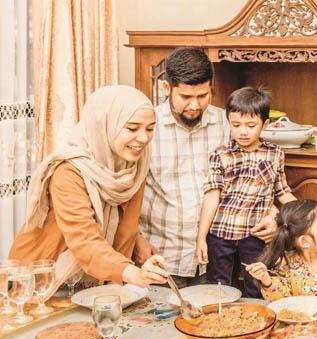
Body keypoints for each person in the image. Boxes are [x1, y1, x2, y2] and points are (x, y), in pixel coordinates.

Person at [136, 47, 276, 288]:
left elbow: (254, 177)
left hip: (217, 257)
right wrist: (135, 239)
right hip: (161, 258)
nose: (194, 105)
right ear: (167, 88)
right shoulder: (147, 127)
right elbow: (127, 193)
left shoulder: (229, 125)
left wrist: (273, 215)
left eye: (202, 96)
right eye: (186, 97)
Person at [9, 85, 168, 290]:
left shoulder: (134, 164)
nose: (144, 138)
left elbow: (126, 229)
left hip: (94, 281)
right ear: (103, 125)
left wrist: (126, 275)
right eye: (132, 128)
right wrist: (133, 274)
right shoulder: (68, 171)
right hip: (44, 279)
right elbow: (85, 241)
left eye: (150, 128)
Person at [196, 86, 296, 298]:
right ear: (229, 123)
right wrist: (201, 238)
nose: (243, 131)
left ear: (264, 125)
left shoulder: (275, 154)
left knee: (256, 285)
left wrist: (305, 213)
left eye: (251, 125)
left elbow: (282, 191)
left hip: (255, 235)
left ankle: (257, 324)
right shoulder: (221, 155)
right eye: (236, 125)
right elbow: (211, 197)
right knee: (219, 286)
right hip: (220, 234)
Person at [245, 199, 317, 311]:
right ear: (304, 242)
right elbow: (281, 305)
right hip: (295, 326)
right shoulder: (285, 264)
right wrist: (267, 281)